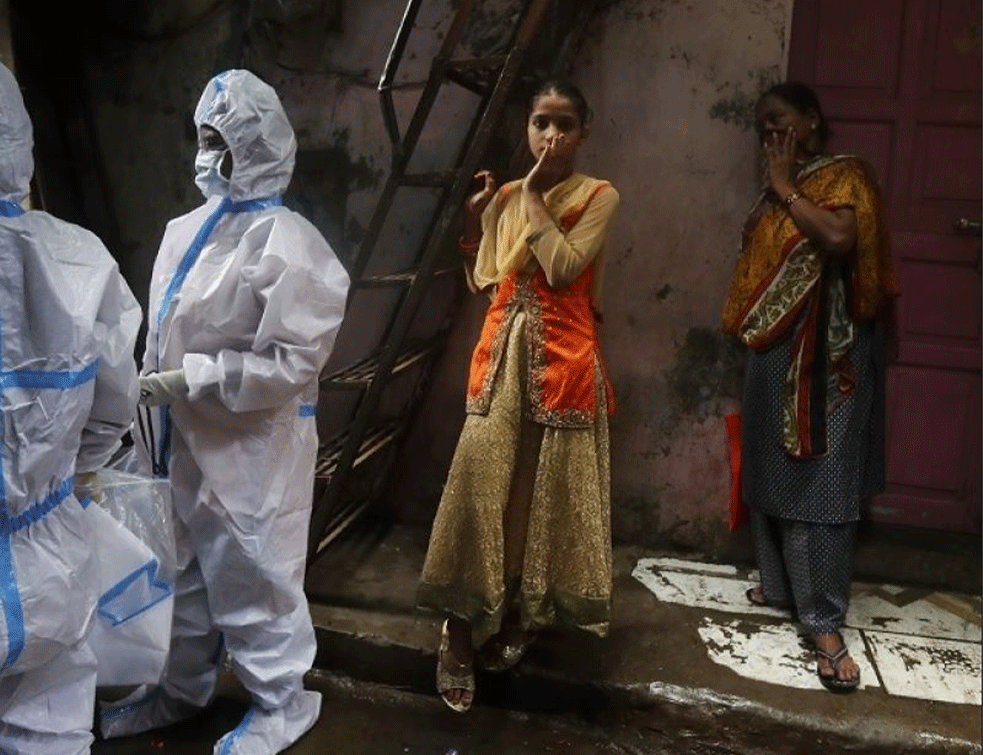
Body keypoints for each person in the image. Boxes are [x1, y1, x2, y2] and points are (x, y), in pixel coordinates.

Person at [97, 70, 350, 752]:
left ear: (255, 146)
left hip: (249, 449)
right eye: (201, 137)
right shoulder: (187, 230)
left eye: (218, 139)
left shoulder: (289, 244)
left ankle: (283, 701)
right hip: (179, 441)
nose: (204, 153)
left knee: (253, 574)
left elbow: (293, 362)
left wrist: (199, 375)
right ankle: (179, 689)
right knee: (180, 574)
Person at [418, 79, 619, 712]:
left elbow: (562, 269)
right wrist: (482, 218)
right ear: (527, 130)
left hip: (564, 354)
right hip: (504, 347)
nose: (550, 135)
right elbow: (485, 280)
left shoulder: (599, 196)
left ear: (583, 132)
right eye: (540, 122)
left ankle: (511, 616)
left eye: (564, 123)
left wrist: (529, 194)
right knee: (480, 475)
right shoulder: (507, 194)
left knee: (534, 490)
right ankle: (456, 627)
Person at [722, 82, 899, 692]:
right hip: (775, 352)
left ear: (812, 121)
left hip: (828, 357)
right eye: (760, 127)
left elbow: (840, 239)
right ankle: (778, 587)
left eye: (779, 120)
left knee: (820, 484)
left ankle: (822, 623)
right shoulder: (778, 192)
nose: (769, 134)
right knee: (768, 472)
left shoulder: (845, 177)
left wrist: (784, 188)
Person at [0, 62, 141, 753]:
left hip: (44, 540)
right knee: (50, 731)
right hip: (51, 563)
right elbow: (113, 409)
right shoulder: (79, 258)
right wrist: (60, 478)